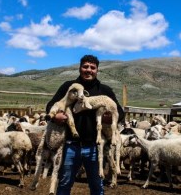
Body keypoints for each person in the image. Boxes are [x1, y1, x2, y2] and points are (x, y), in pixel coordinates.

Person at [45, 54, 125, 195]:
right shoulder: (69, 87)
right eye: (85, 66)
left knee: (97, 185)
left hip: (95, 147)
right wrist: (55, 116)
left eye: (92, 67)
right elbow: (51, 105)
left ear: (97, 70)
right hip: (71, 145)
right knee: (64, 183)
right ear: (80, 68)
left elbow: (119, 112)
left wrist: (110, 118)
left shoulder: (104, 90)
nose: (88, 70)